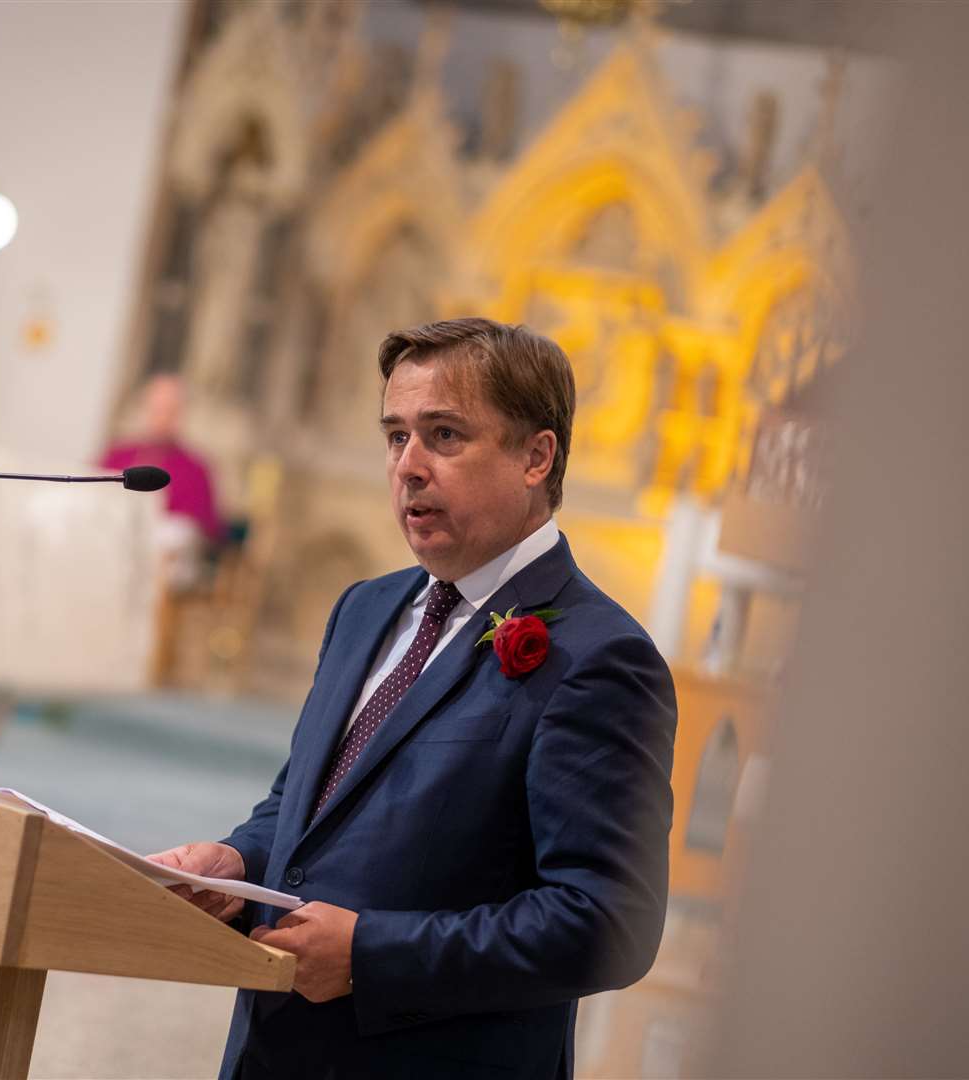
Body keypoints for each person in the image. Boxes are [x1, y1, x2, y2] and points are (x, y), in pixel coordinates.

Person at [148, 318, 677, 1079]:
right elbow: (304, 807)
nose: (409, 467)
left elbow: (608, 924)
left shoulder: (597, 656)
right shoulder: (365, 609)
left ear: (537, 455)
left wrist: (370, 955)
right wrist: (234, 860)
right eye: (397, 437)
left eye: (446, 435)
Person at [100, 373, 224, 589]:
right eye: (156, 409)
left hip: (161, 569)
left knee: (172, 535)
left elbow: (202, 528)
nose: (162, 417)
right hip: (109, 548)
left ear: (181, 413)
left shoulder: (196, 468)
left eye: (170, 410)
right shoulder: (118, 454)